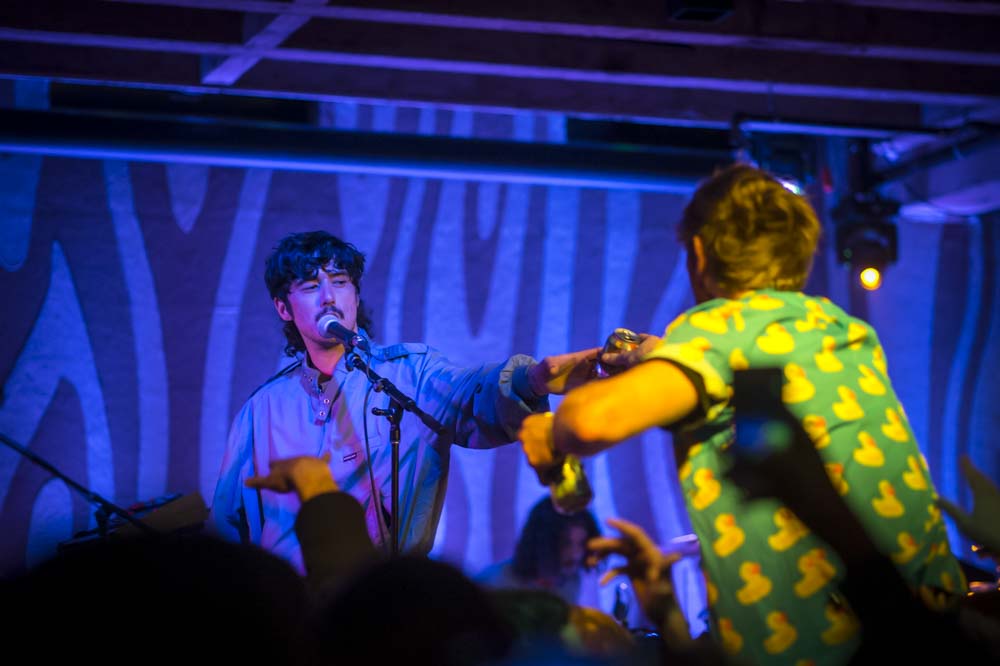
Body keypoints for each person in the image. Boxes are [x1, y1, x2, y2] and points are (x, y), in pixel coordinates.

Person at [519, 164, 966, 664]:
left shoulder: (715, 327)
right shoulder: (844, 332)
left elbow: (588, 424)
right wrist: (658, 357)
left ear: (701, 253)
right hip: (929, 634)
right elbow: (750, 361)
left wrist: (551, 430)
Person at [212, 231, 596, 572]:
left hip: (384, 603)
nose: (329, 297)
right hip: (288, 617)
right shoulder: (262, 409)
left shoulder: (409, 374)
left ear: (356, 294)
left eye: (341, 282)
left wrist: (535, 378)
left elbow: (471, 393)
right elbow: (226, 528)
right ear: (284, 307)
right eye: (311, 287)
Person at [476, 496, 601, 606]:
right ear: (542, 542)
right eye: (565, 543)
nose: (575, 554)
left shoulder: (571, 582)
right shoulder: (497, 584)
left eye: (581, 544)